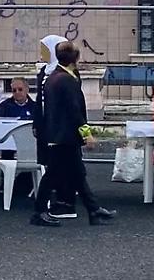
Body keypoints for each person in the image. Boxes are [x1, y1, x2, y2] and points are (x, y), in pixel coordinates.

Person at [41, 41, 116, 227]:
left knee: (76, 173)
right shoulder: (67, 80)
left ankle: (93, 209)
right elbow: (74, 110)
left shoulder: (54, 77)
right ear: (76, 58)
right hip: (65, 136)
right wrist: (86, 133)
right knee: (53, 174)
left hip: (57, 134)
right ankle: (39, 210)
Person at [34, 34, 71, 220]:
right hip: (45, 125)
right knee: (51, 164)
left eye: (45, 49)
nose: (41, 53)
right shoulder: (43, 72)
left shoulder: (63, 73)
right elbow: (38, 101)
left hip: (58, 126)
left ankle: (61, 201)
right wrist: (36, 122)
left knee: (59, 165)